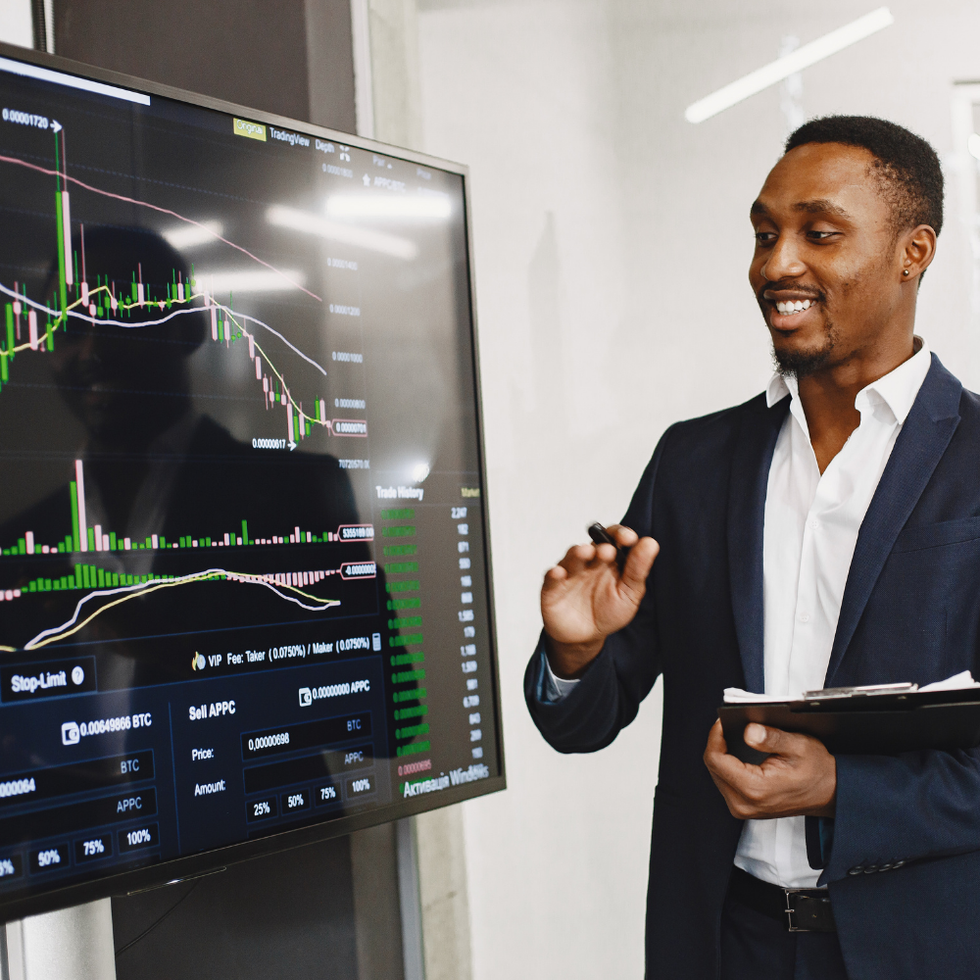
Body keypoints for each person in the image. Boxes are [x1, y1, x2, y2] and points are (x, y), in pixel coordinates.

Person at [524, 116, 980, 980]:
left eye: (819, 233)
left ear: (913, 252)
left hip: (925, 949)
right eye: (765, 234)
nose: (776, 265)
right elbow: (584, 723)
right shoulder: (693, 463)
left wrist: (845, 789)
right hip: (724, 942)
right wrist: (578, 653)